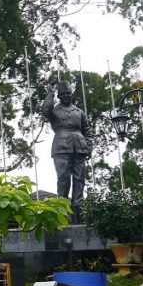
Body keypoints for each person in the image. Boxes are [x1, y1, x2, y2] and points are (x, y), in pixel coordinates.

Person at [40, 81, 91, 225]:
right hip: (61, 147)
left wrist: (89, 147)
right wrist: (50, 93)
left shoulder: (79, 112)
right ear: (59, 95)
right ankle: (63, 213)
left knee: (79, 181)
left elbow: (87, 131)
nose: (66, 96)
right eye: (63, 94)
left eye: (68, 93)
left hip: (79, 148)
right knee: (63, 179)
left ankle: (79, 215)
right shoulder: (54, 111)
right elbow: (45, 110)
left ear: (71, 93)